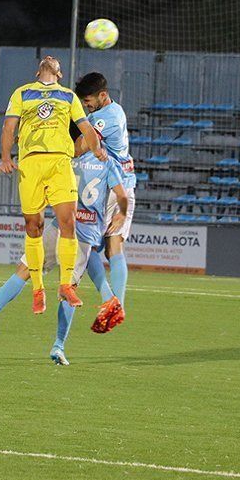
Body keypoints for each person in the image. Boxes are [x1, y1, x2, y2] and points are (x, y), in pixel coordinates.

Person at [0, 145, 129, 366]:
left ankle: (59, 345)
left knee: (67, 289)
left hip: (79, 235)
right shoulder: (100, 160)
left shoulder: (68, 157)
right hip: (66, 227)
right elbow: (122, 195)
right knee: (28, 271)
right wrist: (122, 213)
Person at [0, 56, 106, 314]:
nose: (49, 59)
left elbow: (86, 127)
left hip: (59, 163)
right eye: (45, 60)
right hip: (31, 163)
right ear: (40, 71)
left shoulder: (68, 96)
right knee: (34, 226)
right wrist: (4, 158)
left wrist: (97, 148)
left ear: (59, 73)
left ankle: (66, 285)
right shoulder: (22, 93)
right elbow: (8, 127)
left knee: (69, 222)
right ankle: (37, 289)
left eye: (53, 60)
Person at [74, 72, 136, 310]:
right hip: (120, 182)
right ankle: (115, 303)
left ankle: (112, 301)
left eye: (88, 100)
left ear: (103, 95)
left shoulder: (104, 117)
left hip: (111, 187)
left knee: (91, 244)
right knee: (110, 248)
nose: (85, 105)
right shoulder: (115, 111)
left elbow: (80, 148)